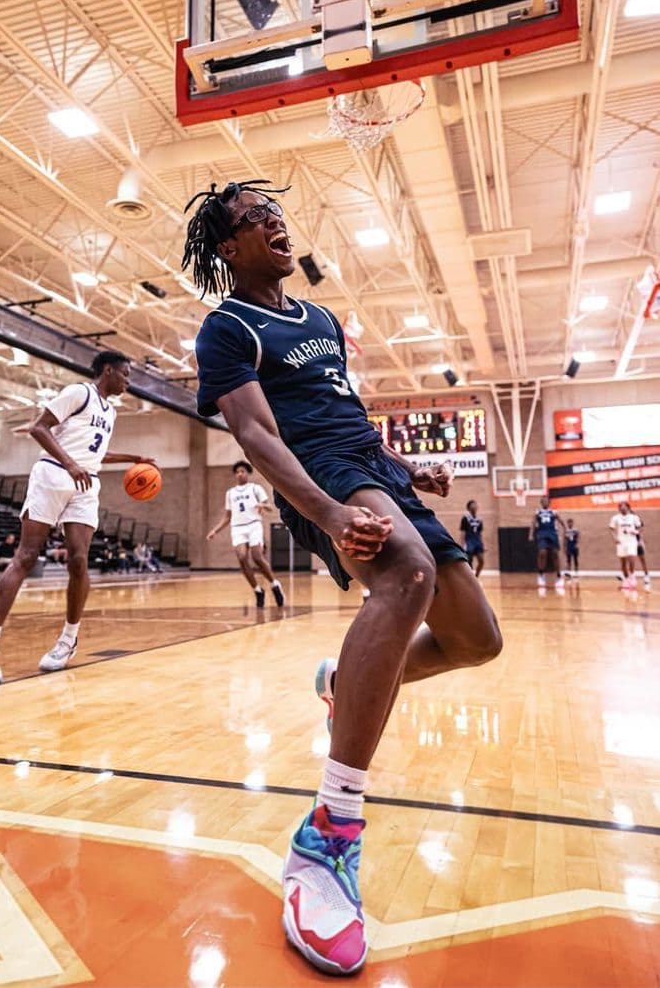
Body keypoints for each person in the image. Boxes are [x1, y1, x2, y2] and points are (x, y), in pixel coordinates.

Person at [185, 179, 502, 976]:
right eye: (256, 219)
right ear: (228, 248)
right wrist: (326, 513)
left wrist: (405, 467)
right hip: (320, 474)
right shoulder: (228, 325)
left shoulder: (320, 320)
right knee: (406, 577)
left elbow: (347, 409)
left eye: (277, 213)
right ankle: (328, 836)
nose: (275, 223)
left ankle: (341, 677)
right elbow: (258, 434)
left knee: (476, 639)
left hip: (368, 464)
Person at [0, 351, 153, 684]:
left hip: (85, 483)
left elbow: (93, 453)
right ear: (107, 370)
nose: (128, 381)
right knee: (25, 556)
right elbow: (40, 428)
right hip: (53, 474)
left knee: (79, 561)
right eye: (125, 374)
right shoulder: (79, 393)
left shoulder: (110, 411)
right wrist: (68, 463)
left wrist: (133, 457)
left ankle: (68, 641)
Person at [207, 460, 285, 606]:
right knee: (242, 557)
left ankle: (274, 584)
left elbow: (269, 507)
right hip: (237, 528)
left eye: (242, 471)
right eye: (237, 472)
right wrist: (214, 531)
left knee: (257, 557)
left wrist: (262, 505)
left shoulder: (255, 488)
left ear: (248, 473)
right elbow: (227, 517)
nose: (239, 474)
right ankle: (257, 589)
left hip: (254, 525)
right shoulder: (230, 493)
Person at [528, 496, 565, 593]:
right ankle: (541, 574)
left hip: (552, 533)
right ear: (541, 503)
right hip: (542, 533)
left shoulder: (553, 512)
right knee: (542, 552)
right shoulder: (538, 512)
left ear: (549, 502)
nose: (545, 503)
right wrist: (531, 534)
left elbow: (561, 521)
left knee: (555, 554)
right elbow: (533, 523)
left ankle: (558, 575)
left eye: (546, 501)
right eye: (543, 501)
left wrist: (565, 530)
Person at [610, 500, 642, 591]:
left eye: (623, 507)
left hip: (631, 541)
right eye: (620, 507)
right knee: (623, 562)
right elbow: (611, 529)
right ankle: (626, 580)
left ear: (628, 508)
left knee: (631, 558)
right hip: (621, 542)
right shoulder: (615, 518)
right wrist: (615, 538)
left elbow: (640, 528)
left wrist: (636, 532)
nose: (622, 509)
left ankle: (632, 576)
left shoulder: (634, 517)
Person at [459, 499, 484, 577]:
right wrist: (462, 545)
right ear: (469, 507)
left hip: (477, 541)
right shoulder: (465, 518)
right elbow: (462, 533)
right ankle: (471, 579)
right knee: (469, 562)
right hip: (469, 541)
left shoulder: (479, 520)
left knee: (481, 560)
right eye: (473, 505)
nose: (475, 506)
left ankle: (476, 577)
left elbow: (480, 533)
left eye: (475, 505)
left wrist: (482, 544)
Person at [629, 507, 651, 590]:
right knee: (631, 561)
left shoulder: (636, 519)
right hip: (629, 543)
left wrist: (640, 541)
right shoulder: (624, 521)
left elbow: (641, 529)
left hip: (637, 542)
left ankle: (646, 577)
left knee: (642, 560)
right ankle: (631, 578)